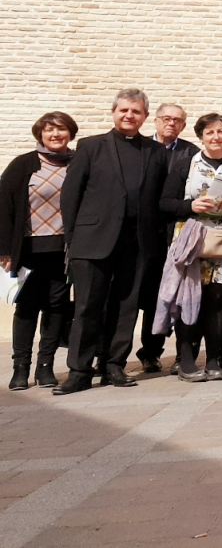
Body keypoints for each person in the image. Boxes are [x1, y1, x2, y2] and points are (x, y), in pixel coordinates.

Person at [56, 89, 168, 395]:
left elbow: (159, 199)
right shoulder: (91, 146)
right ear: (114, 112)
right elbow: (71, 195)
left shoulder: (156, 152)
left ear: (145, 116)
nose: (129, 115)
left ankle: (114, 364)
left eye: (136, 111)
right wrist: (73, 238)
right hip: (93, 242)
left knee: (126, 307)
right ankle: (79, 370)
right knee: (88, 307)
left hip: (137, 244)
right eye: (124, 110)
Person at [160, 113, 222, 382]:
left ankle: (214, 358)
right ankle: (187, 360)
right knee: (190, 300)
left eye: (221, 132)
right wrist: (191, 206)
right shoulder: (184, 165)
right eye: (210, 133)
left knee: (219, 301)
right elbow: (165, 203)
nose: (216, 137)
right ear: (201, 136)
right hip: (193, 242)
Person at [0, 112, 79, 389]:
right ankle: (20, 368)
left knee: (57, 307)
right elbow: (4, 207)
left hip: (63, 248)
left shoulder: (77, 163)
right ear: (40, 134)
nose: (56, 135)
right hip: (29, 248)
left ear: (70, 133)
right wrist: (5, 250)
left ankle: (45, 367)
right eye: (50, 130)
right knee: (27, 307)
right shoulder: (24, 164)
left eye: (61, 130)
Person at [137, 102, 198, 373]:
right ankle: (150, 350)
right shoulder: (141, 148)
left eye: (177, 120)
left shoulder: (191, 153)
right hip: (145, 234)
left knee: (182, 293)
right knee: (153, 296)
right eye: (166, 119)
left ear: (184, 125)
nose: (171, 123)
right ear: (156, 121)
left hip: (179, 233)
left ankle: (183, 355)